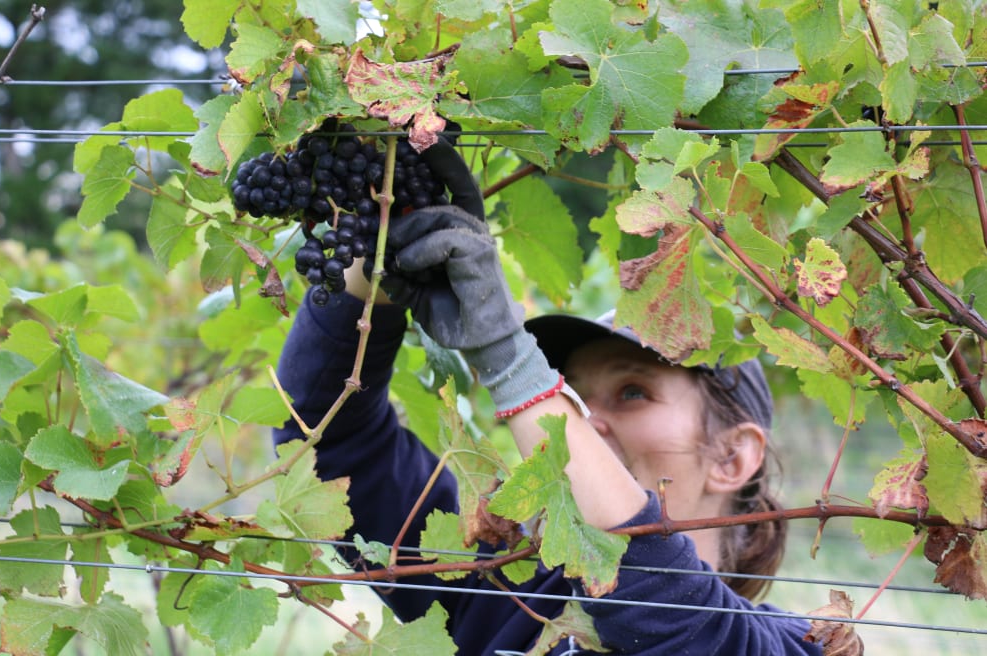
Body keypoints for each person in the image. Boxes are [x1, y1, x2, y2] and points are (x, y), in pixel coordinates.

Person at [272, 140, 825, 655]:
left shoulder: (789, 646)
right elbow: (327, 446)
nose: (582, 419)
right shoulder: (502, 589)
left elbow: (673, 618)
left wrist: (511, 362)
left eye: (633, 392)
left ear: (732, 458)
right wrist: (375, 268)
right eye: (569, 395)